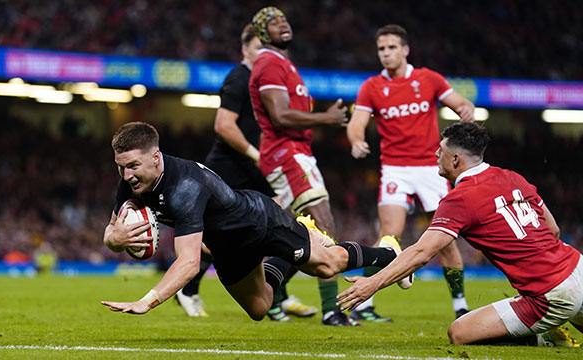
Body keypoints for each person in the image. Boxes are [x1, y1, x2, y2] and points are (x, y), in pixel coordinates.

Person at [100, 122, 408, 322]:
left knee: (327, 265)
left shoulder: (186, 188)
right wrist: (114, 239)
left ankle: (390, 255)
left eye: (132, 166)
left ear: (156, 157)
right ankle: (287, 253)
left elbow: (189, 263)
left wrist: (148, 300)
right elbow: (112, 231)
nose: (126, 176)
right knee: (260, 309)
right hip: (228, 249)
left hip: (259, 221)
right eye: (121, 167)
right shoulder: (130, 181)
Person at [338, 122, 582, 347]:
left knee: (459, 333)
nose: (436, 155)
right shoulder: (512, 176)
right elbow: (553, 230)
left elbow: (422, 253)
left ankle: (543, 335)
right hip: (577, 267)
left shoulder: (460, 198)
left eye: (441, 150)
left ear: (456, 159)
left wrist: (371, 284)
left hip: (550, 295)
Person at [175, 24, 318, 320]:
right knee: (226, 233)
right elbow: (223, 125)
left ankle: (279, 292)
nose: (263, 54)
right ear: (244, 49)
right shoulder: (240, 78)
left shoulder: (268, 81)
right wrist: (257, 155)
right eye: (257, 48)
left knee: (291, 222)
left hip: (258, 166)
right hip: (231, 167)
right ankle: (188, 288)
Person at [346, 24, 475, 322]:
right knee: (388, 236)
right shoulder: (372, 87)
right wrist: (356, 140)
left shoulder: (428, 79)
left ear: (405, 49)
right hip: (395, 169)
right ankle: (365, 305)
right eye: (381, 49)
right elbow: (356, 123)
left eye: (391, 47)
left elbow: (460, 102)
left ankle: (460, 306)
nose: (386, 53)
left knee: (446, 240)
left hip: (433, 169)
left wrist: (466, 109)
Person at [248, 7, 355, 326]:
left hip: (296, 152)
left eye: (284, 19)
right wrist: (327, 118)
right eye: (272, 22)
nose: (281, 24)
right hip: (286, 153)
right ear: (262, 33)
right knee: (323, 224)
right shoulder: (267, 63)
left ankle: (271, 292)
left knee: (299, 233)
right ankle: (332, 310)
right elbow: (280, 115)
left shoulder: (283, 64)